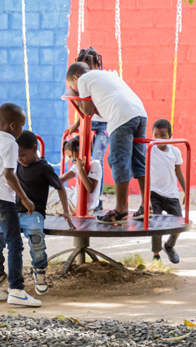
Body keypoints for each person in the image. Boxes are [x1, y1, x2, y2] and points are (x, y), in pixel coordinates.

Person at [65, 62, 148, 224]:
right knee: (139, 162)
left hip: (121, 116)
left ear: (75, 78)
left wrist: (76, 93)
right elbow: (98, 110)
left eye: (72, 85)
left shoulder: (83, 81)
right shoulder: (106, 75)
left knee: (118, 161)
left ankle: (120, 210)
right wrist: (76, 125)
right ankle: (147, 206)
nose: (75, 89)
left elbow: (87, 111)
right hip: (139, 113)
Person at [0, 131, 74, 295]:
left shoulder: (44, 168)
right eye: (17, 155)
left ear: (34, 149)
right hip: (15, 211)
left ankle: (40, 272)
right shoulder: (16, 165)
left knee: (37, 240)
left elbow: (60, 187)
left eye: (23, 155)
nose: (19, 159)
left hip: (34, 214)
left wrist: (66, 211)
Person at [0, 103, 40, 307]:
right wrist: (24, 198)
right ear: (13, 125)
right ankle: (17, 290)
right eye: (21, 125)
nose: (22, 130)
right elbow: (8, 174)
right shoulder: (11, 143)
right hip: (2, 199)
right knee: (14, 244)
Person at [133, 119, 186, 264]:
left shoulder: (175, 151)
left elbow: (179, 173)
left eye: (163, 135)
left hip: (171, 194)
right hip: (154, 193)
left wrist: (186, 191)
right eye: (155, 135)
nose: (159, 139)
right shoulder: (150, 149)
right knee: (155, 223)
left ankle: (169, 246)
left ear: (170, 136)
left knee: (179, 224)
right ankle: (156, 254)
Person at [66, 47, 110, 211]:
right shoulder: (79, 83)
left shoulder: (99, 81)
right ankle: (81, 195)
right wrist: (76, 125)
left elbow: (90, 108)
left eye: (90, 68)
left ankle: (96, 199)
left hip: (104, 123)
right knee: (82, 157)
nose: (87, 73)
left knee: (96, 160)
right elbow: (83, 110)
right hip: (88, 122)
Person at [60, 136, 103, 215]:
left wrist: (81, 169)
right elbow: (62, 178)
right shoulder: (77, 164)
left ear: (80, 151)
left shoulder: (95, 164)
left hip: (79, 207)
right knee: (54, 192)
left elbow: (90, 189)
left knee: (48, 202)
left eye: (71, 156)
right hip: (75, 201)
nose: (71, 160)